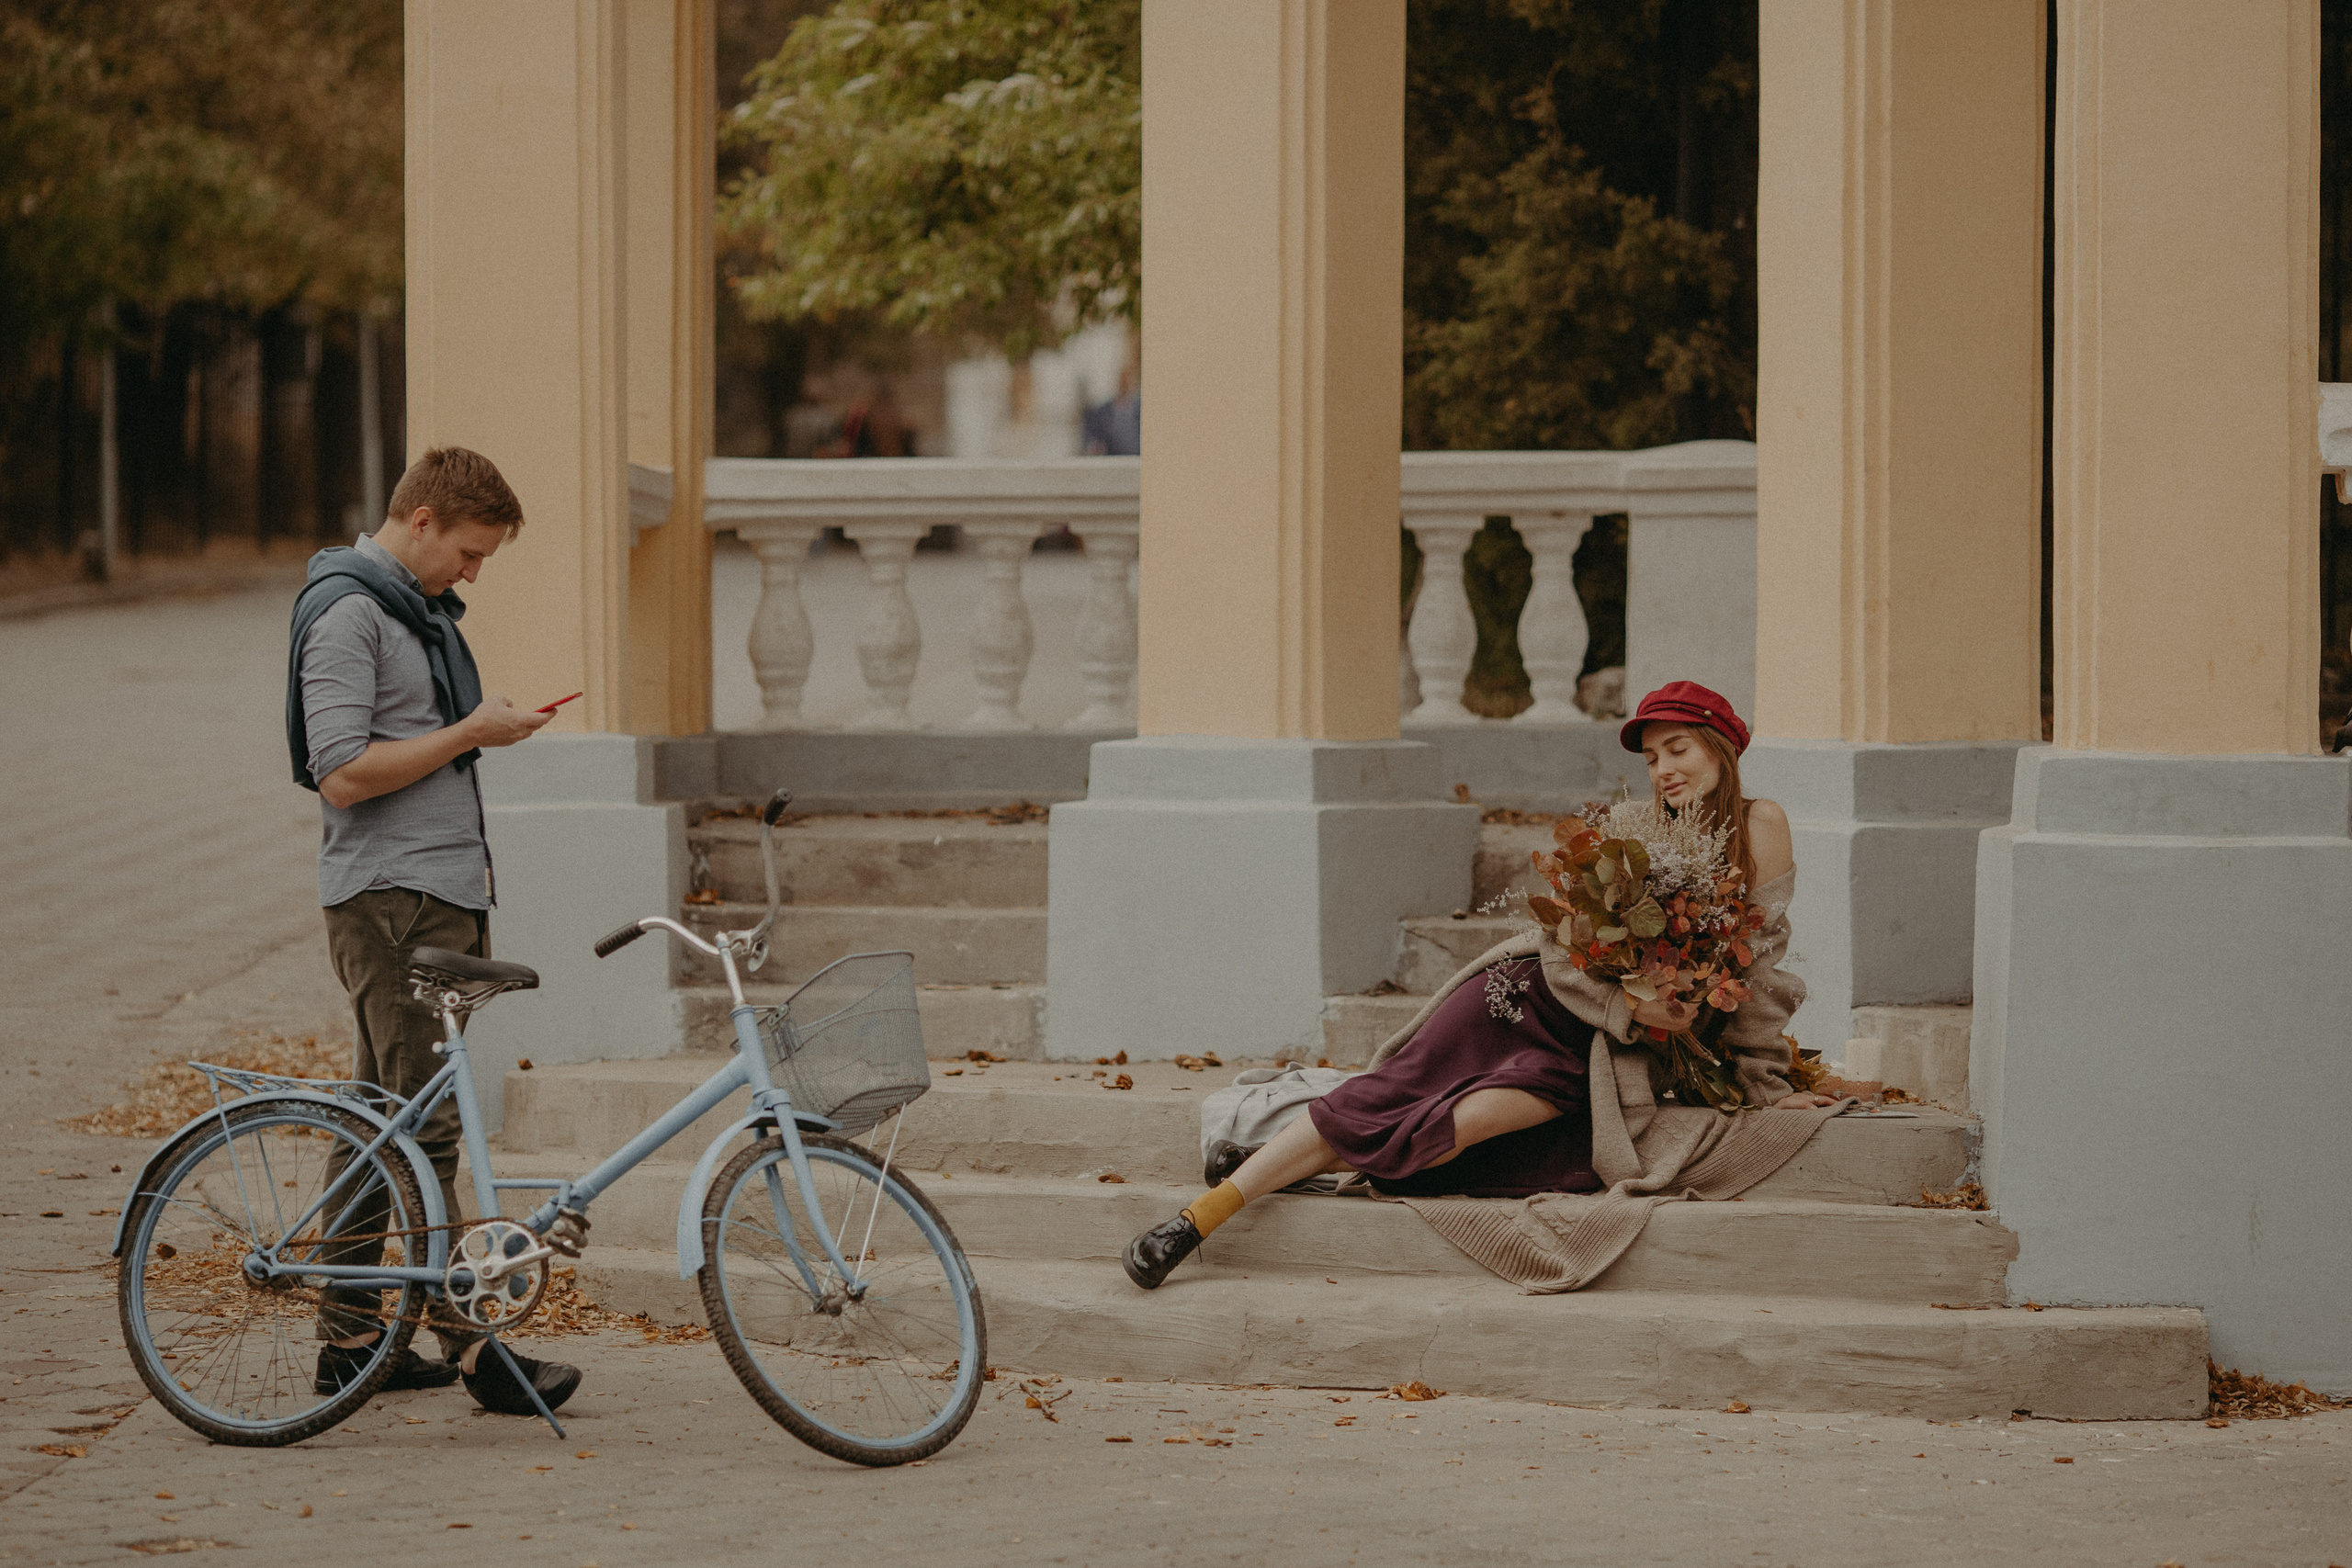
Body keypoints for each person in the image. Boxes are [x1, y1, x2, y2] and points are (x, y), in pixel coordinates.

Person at [1122, 679, 1838, 1290]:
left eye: (1677, 749)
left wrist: (1765, 1082)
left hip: (1595, 1055)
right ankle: (1195, 1221)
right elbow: (1564, 948)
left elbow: (1757, 969)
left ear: (1722, 745)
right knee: (1388, 1099)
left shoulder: (1759, 826)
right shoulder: (1631, 826)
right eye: (1652, 758)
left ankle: (1260, 1159)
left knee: (1464, 1129)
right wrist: (1630, 1002)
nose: (1663, 770)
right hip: (1524, 1001)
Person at [287, 446, 582, 1413]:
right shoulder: (350, 613)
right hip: (391, 901)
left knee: (386, 1122)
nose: (471, 573)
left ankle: (349, 1341)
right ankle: (475, 1349)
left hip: (423, 895)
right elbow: (340, 771)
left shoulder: (409, 614)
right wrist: (470, 733)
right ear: (419, 521)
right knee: (425, 1128)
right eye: (466, 552)